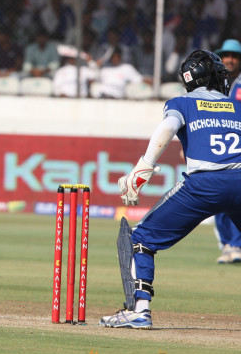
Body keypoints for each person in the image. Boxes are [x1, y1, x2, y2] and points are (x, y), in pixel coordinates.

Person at [100, 50, 241, 329]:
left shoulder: (181, 102)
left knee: (141, 237)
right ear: (213, 76)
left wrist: (142, 168)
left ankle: (140, 310)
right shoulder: (237, 106)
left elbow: (167, 127)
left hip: (204, 184)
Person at [211, 39, 241, 263]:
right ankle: (229, 245)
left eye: (235, 56)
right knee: (220, 200)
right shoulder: (214, 84)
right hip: (219, 149)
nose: (230, 59)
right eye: (226, 55)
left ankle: (237, 246)